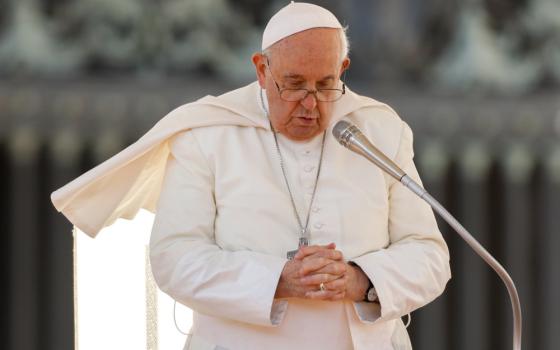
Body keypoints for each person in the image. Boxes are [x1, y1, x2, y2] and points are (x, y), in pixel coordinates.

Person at [51, 2, 450, 350]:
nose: (310, 104)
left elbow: (430, 257)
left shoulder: (378, 131)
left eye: (326, 85)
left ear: (342, 69)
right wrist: (277, 279)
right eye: (293, 85)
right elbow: (174, 258)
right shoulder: (208, 133)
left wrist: (360, 279)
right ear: (262, 69)